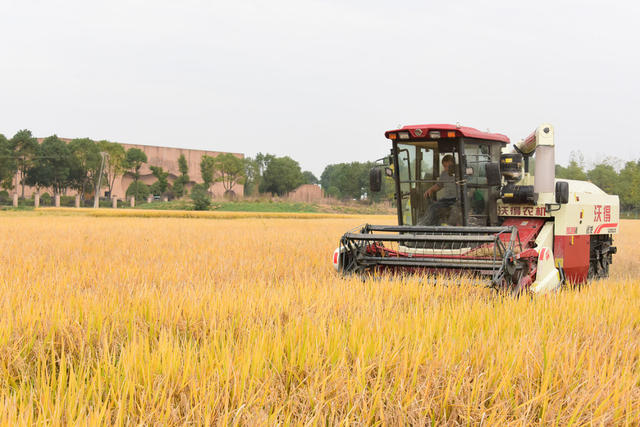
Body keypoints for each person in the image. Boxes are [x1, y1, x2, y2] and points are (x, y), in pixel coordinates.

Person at [421, 154, 457, 225]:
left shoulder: (460, 173)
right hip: (447, 199)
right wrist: (430, 190)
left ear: (454, 164)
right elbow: (439, 185)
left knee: (452, 211)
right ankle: (430, 227)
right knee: (432, 207)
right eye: (444, 166)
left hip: (457, 199)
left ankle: (429, 226)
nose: (446, 169)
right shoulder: (444, 174)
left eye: (448, 166)